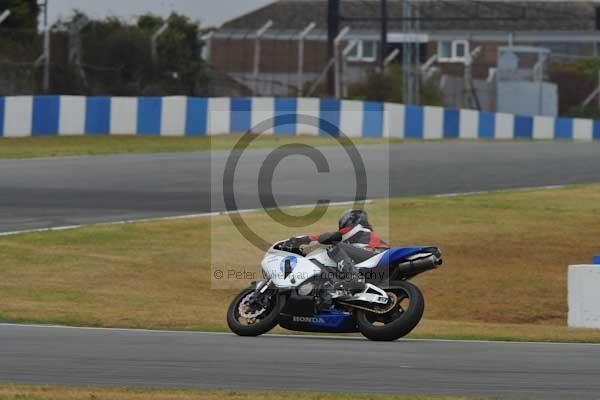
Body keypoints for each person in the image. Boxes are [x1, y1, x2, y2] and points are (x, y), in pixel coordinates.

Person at [282, 209, 390, 291]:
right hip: (379, 266)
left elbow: (329, 236)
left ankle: (354, 278)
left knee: (334, 247)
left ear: (350, 220)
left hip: (377, 254)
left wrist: (300, 240)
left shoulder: (356, 229)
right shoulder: (363, 234)